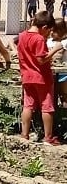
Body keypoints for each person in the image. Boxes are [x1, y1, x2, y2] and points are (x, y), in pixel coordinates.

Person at [17, 11, 63, 144]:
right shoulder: (38, 39)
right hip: (41, 77)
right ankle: (48, 137)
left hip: (27, 76)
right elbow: (41, 59)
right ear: (44, 28)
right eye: (49, 31)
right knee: (47, 107)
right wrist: (55, 49)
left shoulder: (22, 36)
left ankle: (24, 135)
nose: (49, 34)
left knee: (28, 106)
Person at [47, 17, 67, 109]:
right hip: (52, 73)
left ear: (61, 31)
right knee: (53, 94)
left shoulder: (65, 42)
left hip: (63, 72)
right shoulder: (49, 41)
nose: (51, 33)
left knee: (64, 95)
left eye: (54, 31)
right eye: (51, 30)